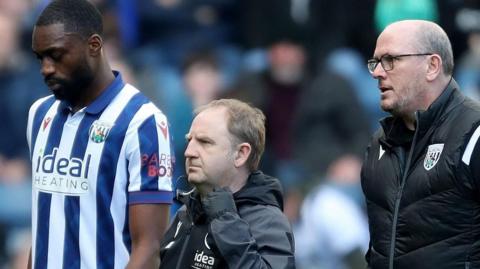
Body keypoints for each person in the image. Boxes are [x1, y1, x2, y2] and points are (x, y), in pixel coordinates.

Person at [27, 1, 173, 268]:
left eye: (56, 55)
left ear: (94, 45)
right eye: (41, 58)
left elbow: (150, 247)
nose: (45, 69)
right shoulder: (39, 114)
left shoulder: (143, 122)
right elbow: (43, 229)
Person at [362, 20, 480, 269]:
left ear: (432, 66)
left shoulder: (474, 133)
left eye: (390, 60)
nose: (377, 72)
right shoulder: (378, 145)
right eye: (375, 62)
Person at [159, 99, 295, 268]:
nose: (189, 152)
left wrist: (225, 220)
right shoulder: (185, 213)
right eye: (189, 140)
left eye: (204, 142)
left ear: (240, 154)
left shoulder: (267, 221)